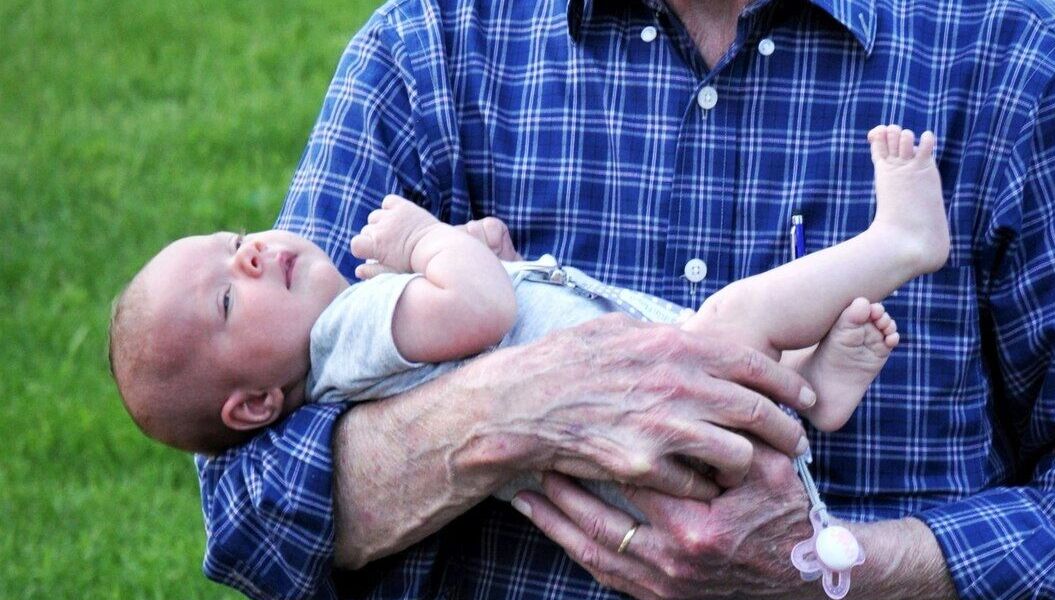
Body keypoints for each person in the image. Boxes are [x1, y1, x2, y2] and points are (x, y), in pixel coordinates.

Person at [189, 1, 1055, 600]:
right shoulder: (431, 46)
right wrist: (503, 413)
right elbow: (250, 502)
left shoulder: (1020, 62)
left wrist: (834, 566)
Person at [112, 127, 946, 494]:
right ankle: (899, 243)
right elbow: (481, 310)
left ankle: (807, 387)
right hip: (666, 418)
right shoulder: (350, 334)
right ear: (256, 404)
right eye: (228, 297)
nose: (252, 255)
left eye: (234, 241)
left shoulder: (357, 350)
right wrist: (427, 240)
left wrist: (482, 250)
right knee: (734, 316)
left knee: (731, 340)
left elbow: (485, 311)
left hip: (656, 445)